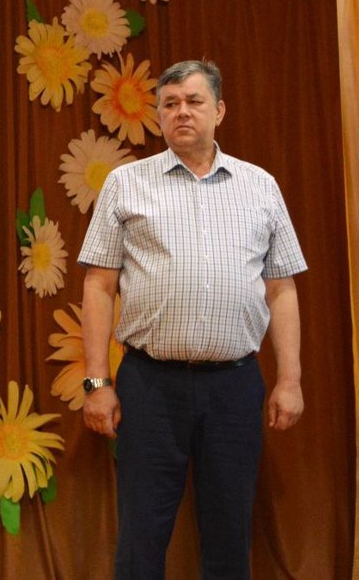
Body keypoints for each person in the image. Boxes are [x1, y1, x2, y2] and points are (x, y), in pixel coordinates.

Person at [77, 59, 307, 579]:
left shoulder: (260, 186)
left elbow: (282, 289)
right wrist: (97, 383)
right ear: (158, 115)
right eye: (170, 104)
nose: (182, 112)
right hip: (149, 386)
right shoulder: (125, 184)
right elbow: (98, 286)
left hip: (235, 387)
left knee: (229, 538)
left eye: (194, 102)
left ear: (219, 111)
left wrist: (290, 381)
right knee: (140, 539)